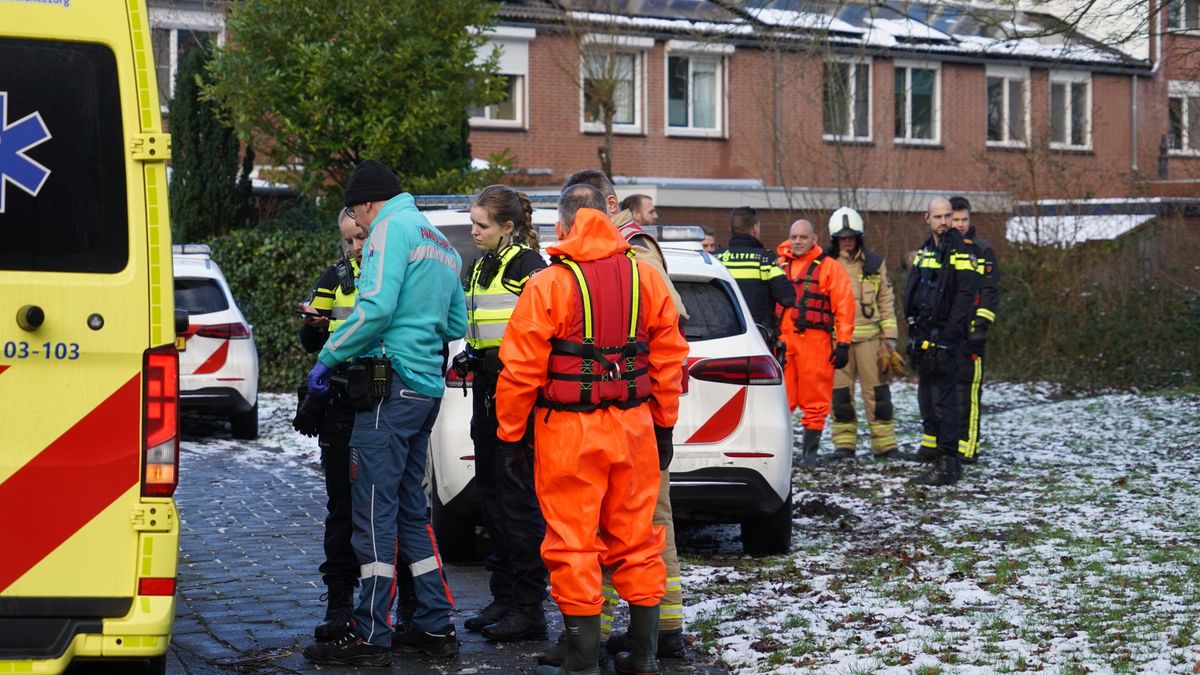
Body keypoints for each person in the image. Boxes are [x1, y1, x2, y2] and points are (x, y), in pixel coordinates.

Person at [495, 184, 688, 675]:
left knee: (573, 542)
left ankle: (581, 661)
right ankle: (643, 656)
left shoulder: (548, 285)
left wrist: (511, 438)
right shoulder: (647, 278)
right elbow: (668, 358)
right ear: (607, 217)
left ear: (561, 228)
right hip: (636, 427)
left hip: (568, 434)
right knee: (639, 539)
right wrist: (664, 425)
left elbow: (519, 371)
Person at [302, 160, 467, 667]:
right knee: (412, 514)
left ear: (366, 203)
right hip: (425, 390)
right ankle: (435, 625)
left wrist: (326, 360)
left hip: (386, 390)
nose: (358, 225)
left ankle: (371, 633)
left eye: (355, 212)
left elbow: (375, 310)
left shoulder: (388, 230)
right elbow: (456, 319)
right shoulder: (437, 239)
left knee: (373, 513)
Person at [558, 169, 689, 663]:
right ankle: (617, 630)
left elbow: (665, 327)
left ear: (610, 205)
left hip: (640, 410)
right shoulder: (611, 252)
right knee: (613, 526)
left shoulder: (634, 252)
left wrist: (662, 422)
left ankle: (662, 631)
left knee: (648, 522)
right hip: (625, 409)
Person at [457, 185, 550, 642]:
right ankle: (505, 594)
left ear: (508, 227)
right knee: (491, 495)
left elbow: (544, 333)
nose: (473, 231)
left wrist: (497, 361)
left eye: (482, 225)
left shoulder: (528, 267)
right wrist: (471, 354)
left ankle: (530, 606)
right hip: (487, 390)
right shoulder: (481, 267)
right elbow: (484, 328)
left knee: (517, 501)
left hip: (517, 394)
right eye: (473, 223)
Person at [902, 197, 981, 486]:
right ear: (928, 218)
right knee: (927, 397)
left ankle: (949, 462)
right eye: (939, 217)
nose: (945, 222)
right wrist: (911, 323)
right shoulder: (926, 250)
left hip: (946, 338)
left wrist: (948, 337)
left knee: (946, 400)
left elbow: (964, 298)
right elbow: (913, 287)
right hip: (924, 335)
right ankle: (936, 456)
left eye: (948, 216)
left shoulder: (962, 251)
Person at [775, 219, 854, 467]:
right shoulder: (778, 265)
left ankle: (809, 454)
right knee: (780, 399)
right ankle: (781, 452)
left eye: (803, 237)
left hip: (815, 342)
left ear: (814, 239)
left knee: (815, 399)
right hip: (783, 342)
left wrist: (843, 343)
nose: (797, 241)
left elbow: (844, 307)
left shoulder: (830, 268)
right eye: (794, 237)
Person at [826, 207, 901, 460]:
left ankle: (885, 445)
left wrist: (889, 338)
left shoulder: (874, 263)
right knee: (840, 395)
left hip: (871, 341)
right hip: (838, 343)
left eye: (851, 236)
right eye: (842, 237)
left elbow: (886, 300)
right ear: (834, 238)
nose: (847, 240)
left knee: (878, 393)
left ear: (859, 236)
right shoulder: (826, 264)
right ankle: (844, 445)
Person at [948, 196, 999, 463]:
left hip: (971, 334)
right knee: (946, 392)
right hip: (947, 334)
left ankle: (968, 448)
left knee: (968, 392)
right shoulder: (941, 247)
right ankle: (949, 445)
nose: (959, 224)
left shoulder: (982, 249)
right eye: (955, 219)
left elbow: (989, 291)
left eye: (963, 219)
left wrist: (981, 324)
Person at [717, 207, 796, 331]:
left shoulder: (716, 259)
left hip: (722, 335)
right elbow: (788, 298)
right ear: (754, 229)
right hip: (757, 336)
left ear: (730, 230)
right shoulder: (765, 259)